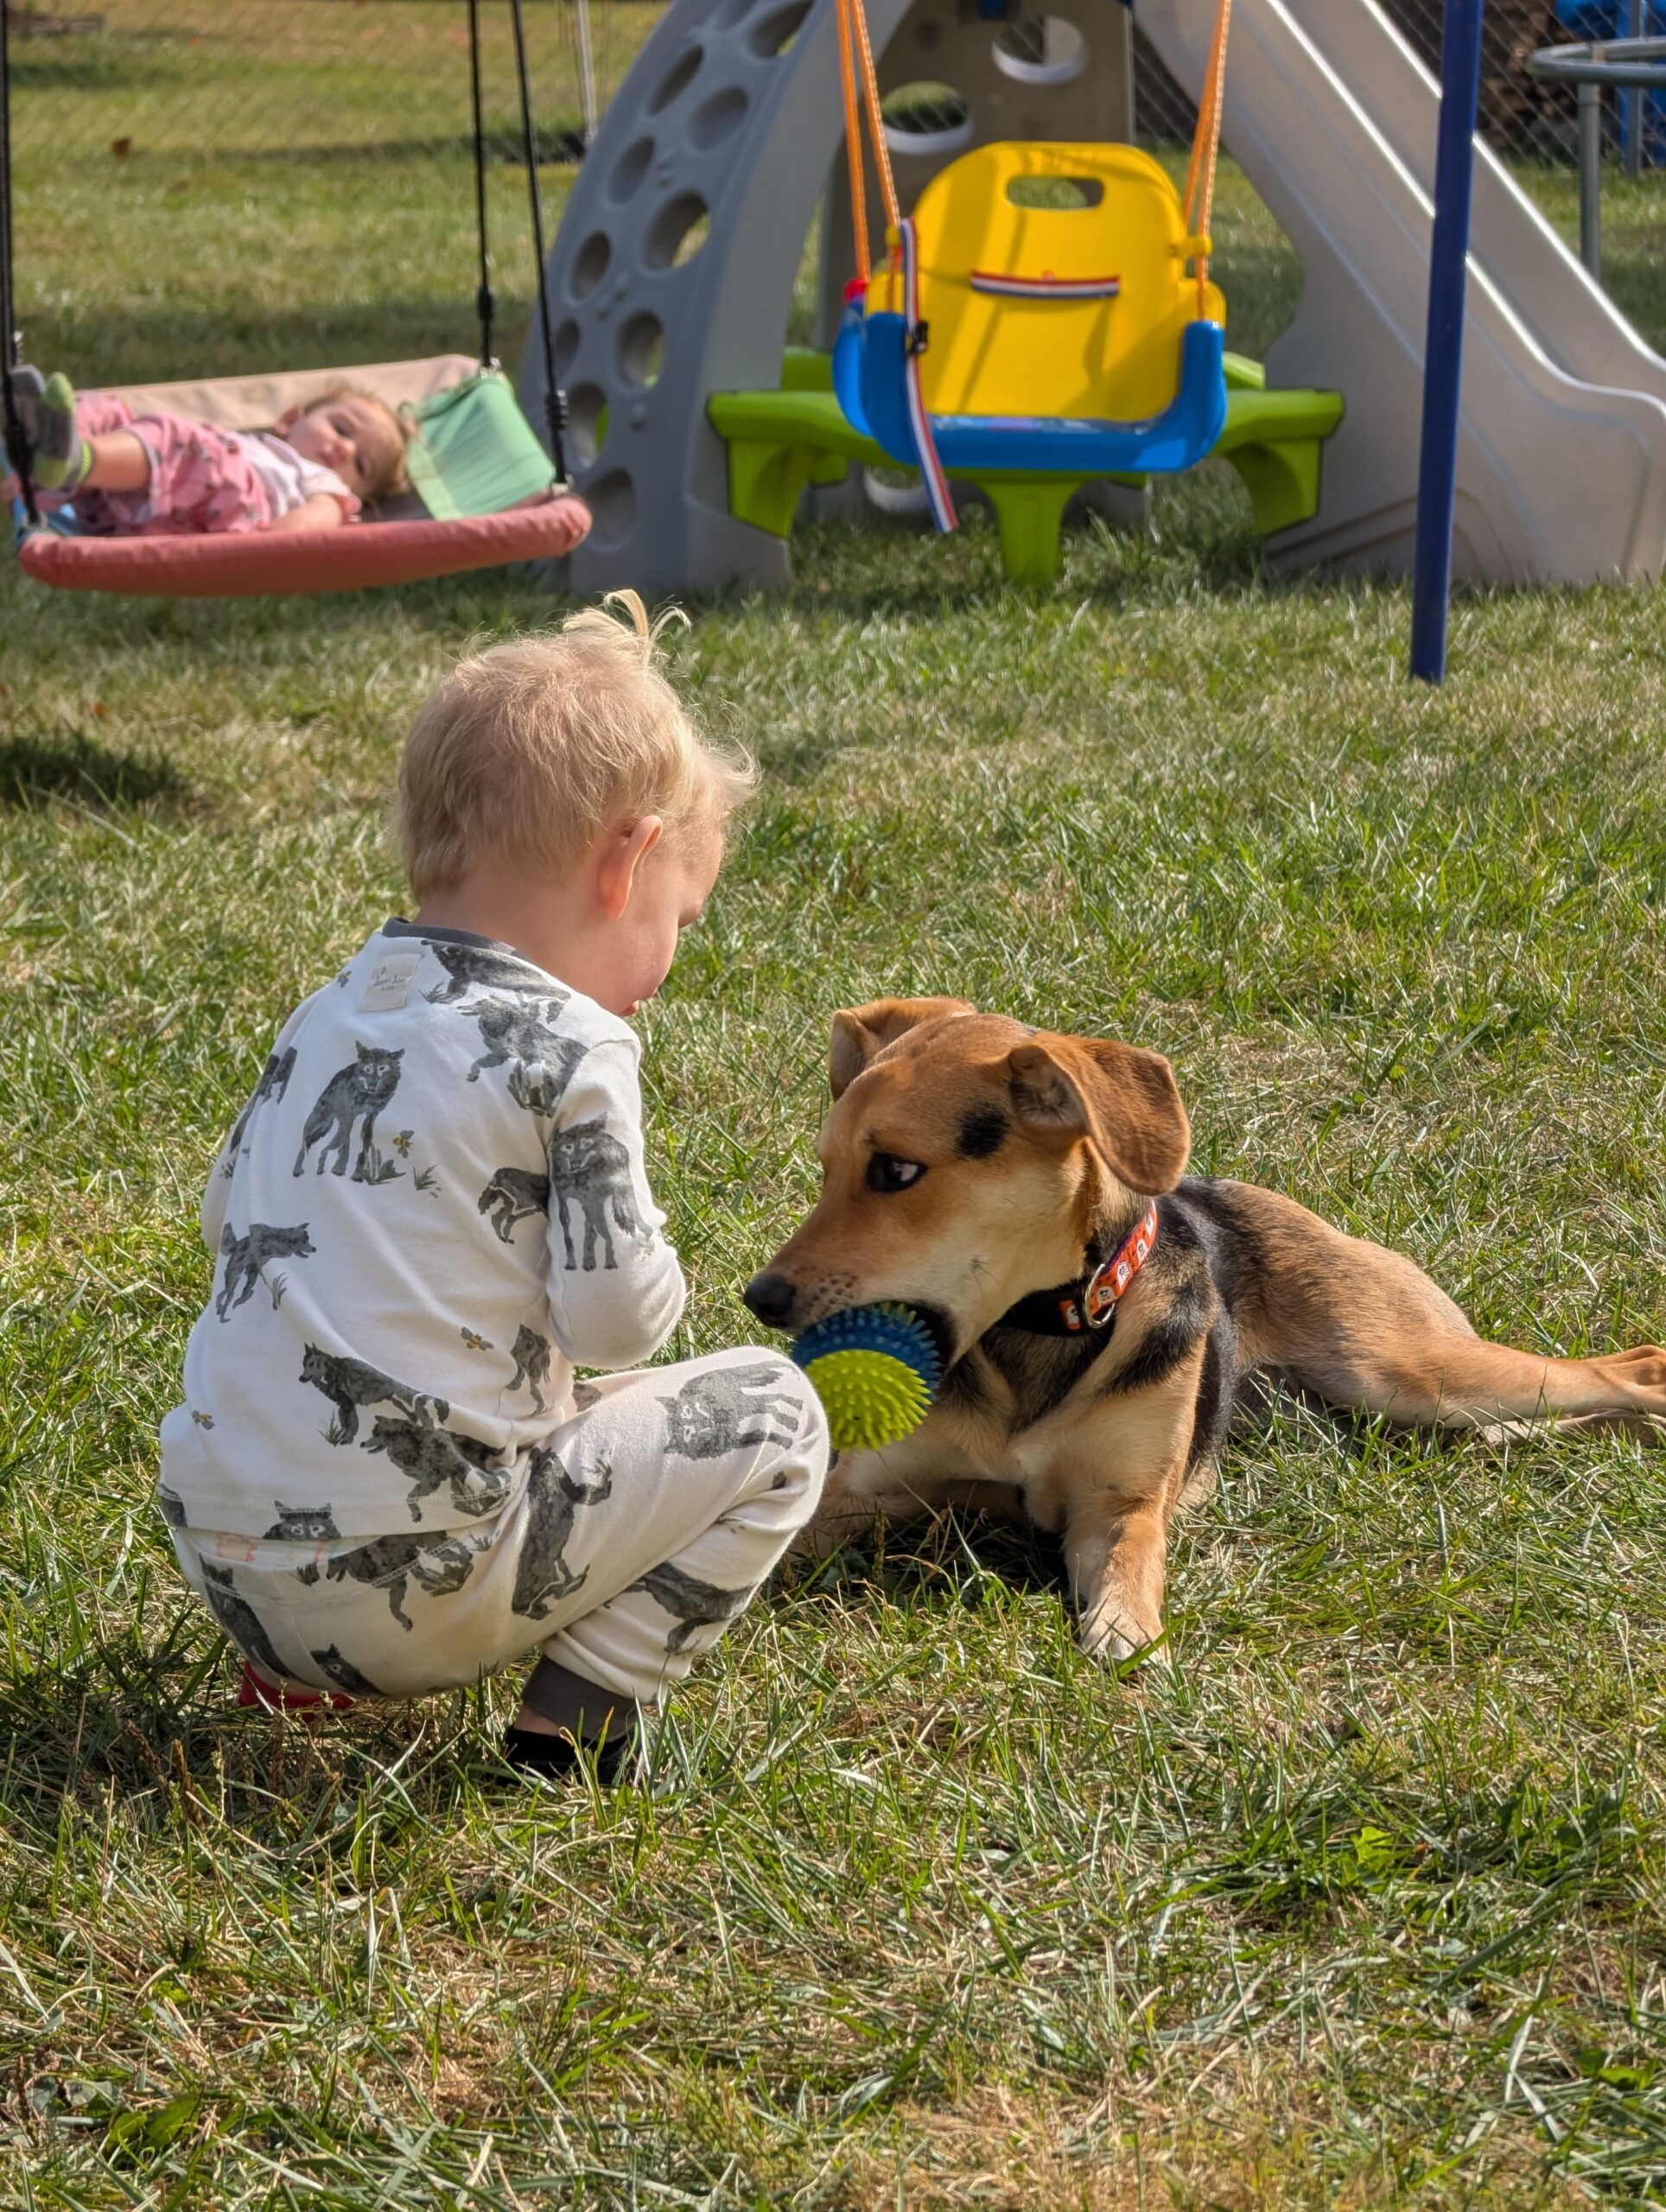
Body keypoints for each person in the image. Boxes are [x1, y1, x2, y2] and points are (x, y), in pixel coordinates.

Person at [156, 594, 830, 1782]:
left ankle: (294, 1679)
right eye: (684, 918)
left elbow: (230, 1222)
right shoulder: (572, 1043)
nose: (670, 964)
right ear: (625, 864)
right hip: (427, 1581)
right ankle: (576, 1725)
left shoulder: (329, 1013)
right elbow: (621, 1319)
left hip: (225, 1563)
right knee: (779, 1419)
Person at [3, 365, 410, 534]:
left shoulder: (321, 482)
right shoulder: (258, 446)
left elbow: (313, 523)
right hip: (137, 501)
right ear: (289, 420)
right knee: (112, 411)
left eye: (361, 463)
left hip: (232, 510)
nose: (343, 447)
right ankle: (41, 460)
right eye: (341, 427)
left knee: (186, 444)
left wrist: (266, 549)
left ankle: (71, 461)